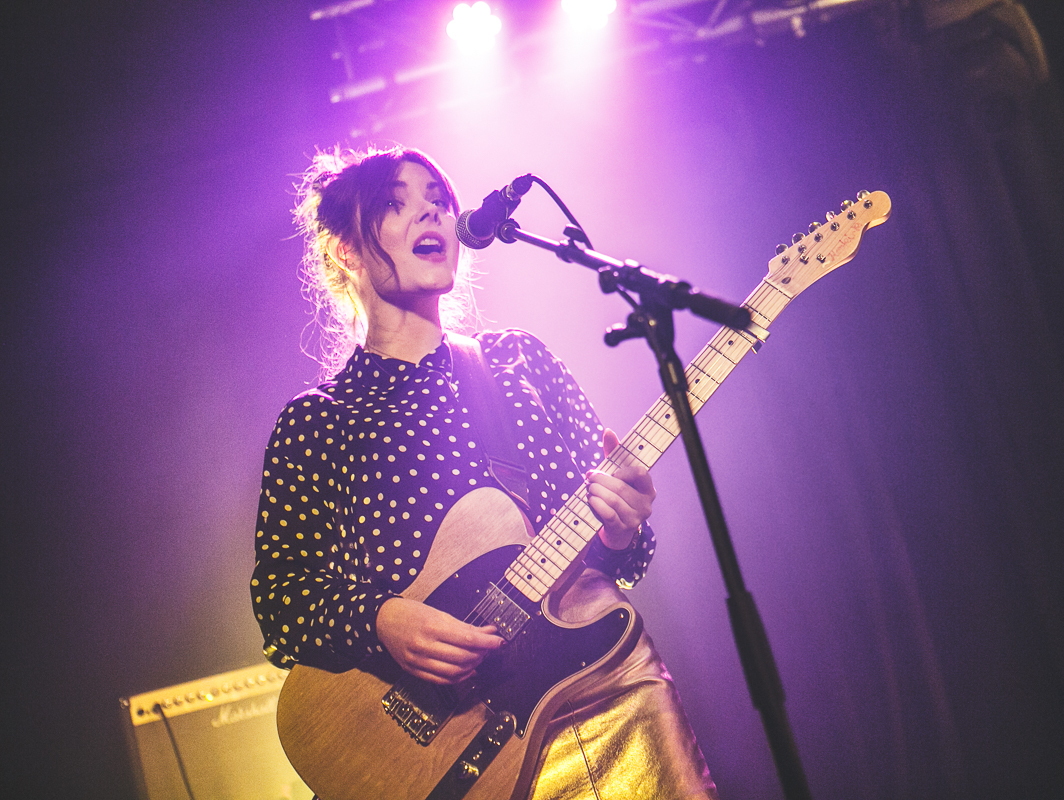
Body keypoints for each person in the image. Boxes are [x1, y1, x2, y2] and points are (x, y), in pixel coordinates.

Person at [251, 145, 717, 799]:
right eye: (396, 204)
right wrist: (380, 619)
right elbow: (281, 601)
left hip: (602, 693)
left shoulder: (518, 363)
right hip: (448, 754)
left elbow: (624, 555)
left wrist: (620, 526)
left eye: (438, 200)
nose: (431, 215)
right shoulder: (318, 424)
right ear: (346, 252)